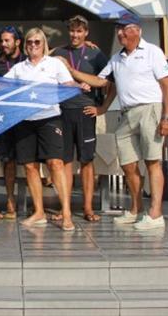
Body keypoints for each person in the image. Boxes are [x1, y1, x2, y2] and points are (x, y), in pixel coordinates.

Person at [63, 12, 168, 230]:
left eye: (124, 28)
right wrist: (73, 72)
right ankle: (136, 209)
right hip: (126, 113)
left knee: (152, 161)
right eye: (118, 29)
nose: (120, 33)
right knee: (127, 165)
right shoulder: (116, 58)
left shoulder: (153, 52)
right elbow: (101, 81)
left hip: (150, 109)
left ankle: (156, 213)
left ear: (137, 30)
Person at [5, 27, 76, 231]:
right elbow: (0, 85)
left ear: (44, 44)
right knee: (29, 166)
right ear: (25, 45)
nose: (33, 45)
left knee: (55, 164)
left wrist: (80, 85)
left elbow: (68, 84)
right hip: (25, 121)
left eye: (37, 42)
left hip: (50, 119)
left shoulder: (54, 64)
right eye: (29, 42)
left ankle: (67, 213)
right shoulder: (19, 68)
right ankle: (39, 212)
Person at [51, 15, 108, 223]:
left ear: (86, 33)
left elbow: (105, 82)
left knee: (86, 161)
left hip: (85, 112)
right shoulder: (59, 52)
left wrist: (102, 108)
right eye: (72, 31)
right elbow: (40, 56)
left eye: (79, 31)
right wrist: (56, 51)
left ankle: (88, 208)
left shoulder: (95, 53)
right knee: (65, 161)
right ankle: (64, 208)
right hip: (63, 111)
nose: (75, 35)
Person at [0, 25, 27, 221]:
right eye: (2, 40)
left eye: (7, 40)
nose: (3, 44)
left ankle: (11, 200)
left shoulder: (27, 61)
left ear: (18, 42)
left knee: (13, 163)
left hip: (20, 118)